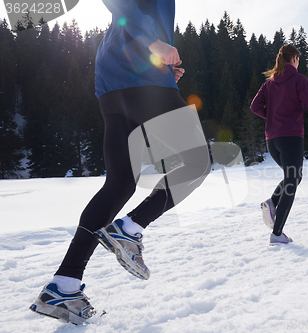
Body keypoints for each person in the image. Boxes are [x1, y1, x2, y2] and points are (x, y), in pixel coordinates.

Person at [29, 0, 210, 324]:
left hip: (115, 85)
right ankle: (130, 229)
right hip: (140, 79)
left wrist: (163, 65)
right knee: (196, 161)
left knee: (119, 185)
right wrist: (152, 44)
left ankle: (64, 285)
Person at [250, 44, 308, 245]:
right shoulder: (300, 80)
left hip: (272, 141)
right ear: (295, 59)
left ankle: (272, 202)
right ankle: (277, 233)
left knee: (294, 177)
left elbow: (255, 106)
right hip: (291, 138)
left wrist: (272, 118)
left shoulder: (269, 84)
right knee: (292, 180)